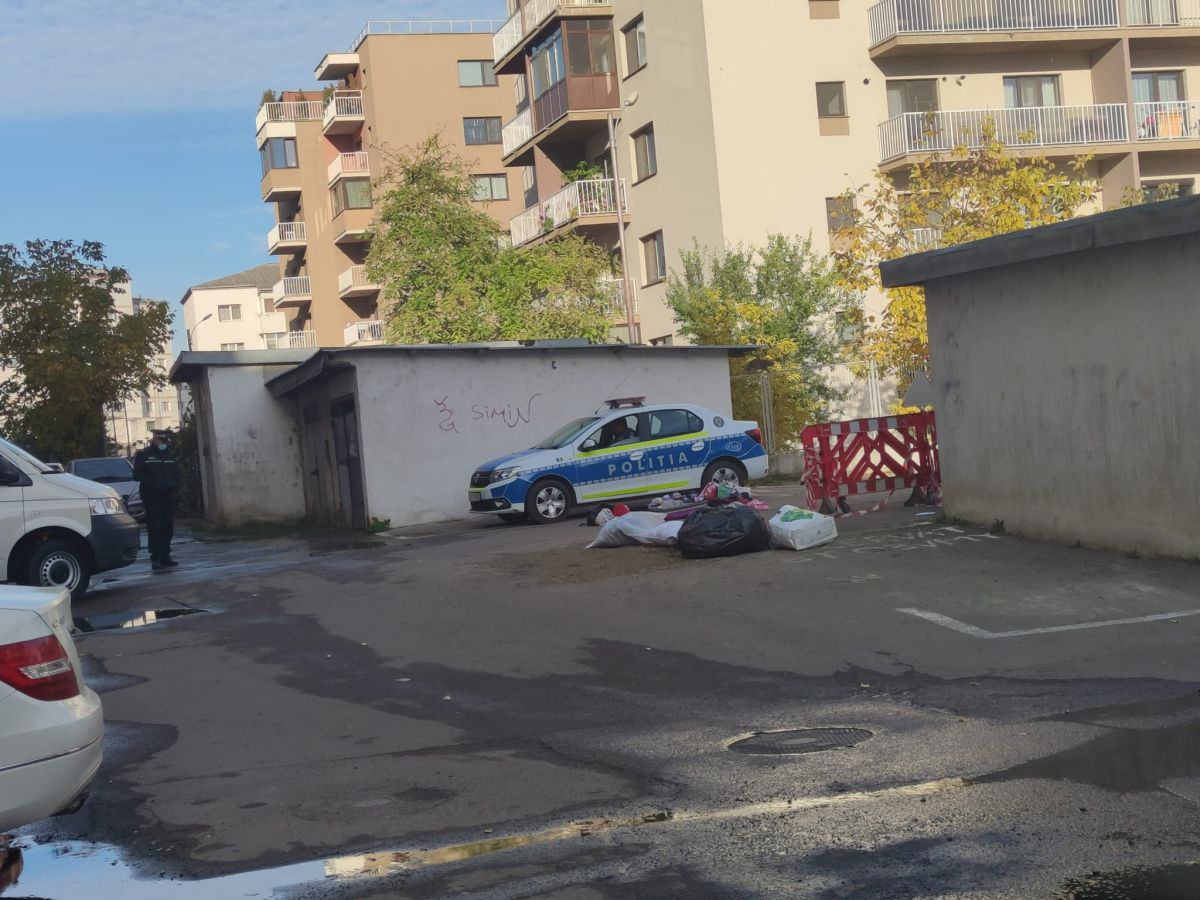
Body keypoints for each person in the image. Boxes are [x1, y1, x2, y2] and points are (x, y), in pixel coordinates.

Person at [133, 429, 180, 572]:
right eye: (161, 440)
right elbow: (137, 475)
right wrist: (154, 484)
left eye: (166, 441)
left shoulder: (170, 455)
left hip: (168, 496)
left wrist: (173, 486)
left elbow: (176, 473)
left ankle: (166, 555)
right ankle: (156, 557)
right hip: (152, 497)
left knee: (167, 527)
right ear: (155, 439)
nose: (164, 443)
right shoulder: (144, 455)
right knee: (155, 528)